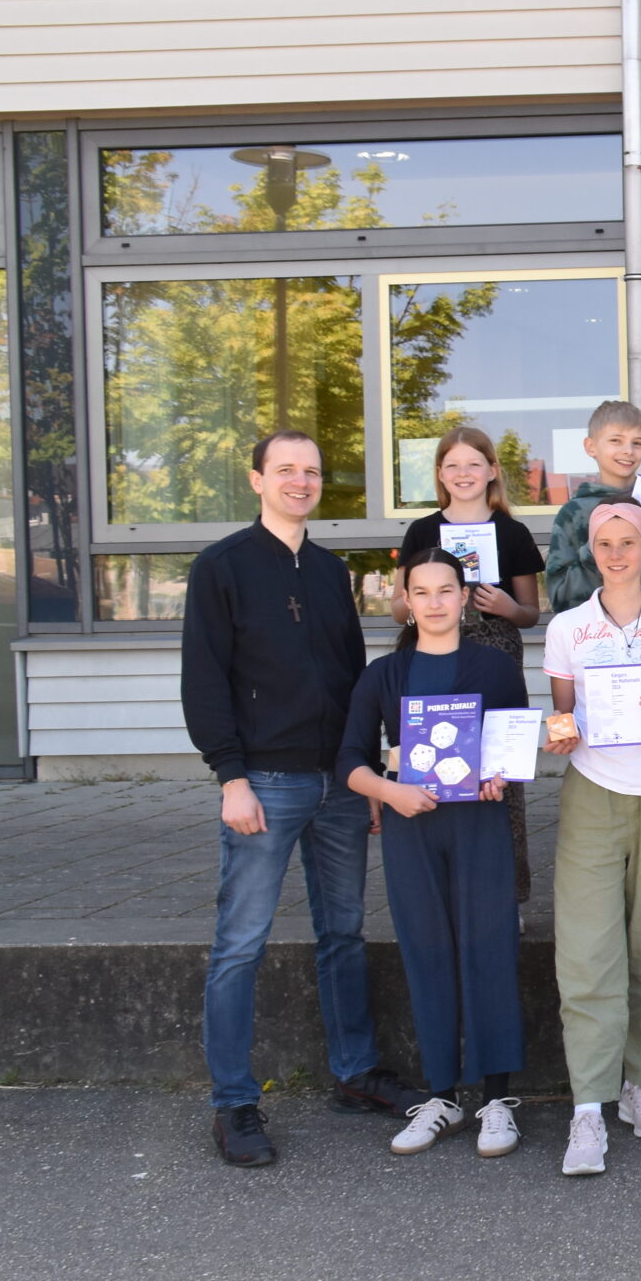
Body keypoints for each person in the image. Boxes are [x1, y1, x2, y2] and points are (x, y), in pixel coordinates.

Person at [183, 430, 415, 1167]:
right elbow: (204, 680)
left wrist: (369, 775)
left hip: (338, 783)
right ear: (256, 478)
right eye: (285, 469)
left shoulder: (328, 570)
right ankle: (233, 1101)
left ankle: (353, 1072)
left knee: (343, 931)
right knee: (239, 944)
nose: (300, 480)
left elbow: (353, 678)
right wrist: (231, 777)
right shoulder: (221, 567)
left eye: (311, 471)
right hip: (266, 782)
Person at [338, 549, 530, 1160]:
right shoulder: (384, 675)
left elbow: (513, 747)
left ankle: (497, 1100)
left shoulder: (493, 667)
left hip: (478, 824)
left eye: (446, 589)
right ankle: (442, 1095)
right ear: (407, 600)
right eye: (421, 592)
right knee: (426, 951)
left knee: (489, 947)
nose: (435, 602)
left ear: (462, 594)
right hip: (410, 828)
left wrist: (500, 775)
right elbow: (348, 761)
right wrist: (389, 791)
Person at [540, 500, 641, 1176]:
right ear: (590, 550)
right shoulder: (567, 630)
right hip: (593, 795)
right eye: (604, 543)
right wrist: (561, 731)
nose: (615, 553)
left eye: (628, 541)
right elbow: (561, 717)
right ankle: (588, 1106)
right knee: (586, 950)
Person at [395, 425, 545, 902]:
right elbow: (399, 607)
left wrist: (504, 606)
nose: (464, 473)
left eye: (474, 464)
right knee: (431, 760)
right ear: (439, 473)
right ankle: (438, 886)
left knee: (498, 771)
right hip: (430, 652)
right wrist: (424, 600)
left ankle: (507, 894)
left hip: (495, 653)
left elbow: (530, 613)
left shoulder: (512, 532)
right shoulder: (422, 530)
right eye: (453, 465)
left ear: (492, 471)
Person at [544, 398, 641, 611]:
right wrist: (598, 547)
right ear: (591, 446)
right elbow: (559, 596)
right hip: (594, 633)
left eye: (637, 443)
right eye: (616, 440)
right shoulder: (573, 513)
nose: (628, 450)